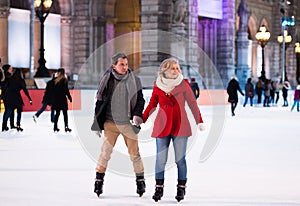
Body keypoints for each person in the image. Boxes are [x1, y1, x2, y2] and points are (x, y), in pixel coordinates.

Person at [142, 57, 205, 202]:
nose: (176, 71)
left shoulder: (183, 84)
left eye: (177, 68)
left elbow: (192, 104)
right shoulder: (158, 85)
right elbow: (152, 105)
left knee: (180, 159)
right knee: (160, 159)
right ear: (165, 70)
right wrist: (142, 118)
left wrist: (199, 121)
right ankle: (159, 188)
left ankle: (181, 188)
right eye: (173, 68)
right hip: (162, 125)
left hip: (180, 125)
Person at [91, 53, 146, 197]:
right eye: (121, 64)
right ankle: (99, 181)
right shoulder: (107, 80)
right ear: (114, 65)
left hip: (128, 123)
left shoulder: (135, 80)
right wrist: (97, 123)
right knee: (105, 153)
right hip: (110, 123)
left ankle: (140, 181)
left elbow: (140, 100)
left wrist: (137, 114)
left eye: (126, 64)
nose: (125, 67)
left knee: (135, 154)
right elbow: (100, 102)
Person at [52, 68, 72, 132]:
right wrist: (69, 97)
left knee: (57, 114)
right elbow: (66, 90)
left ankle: (55, 127)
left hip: (56, 99)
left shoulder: (55, 80)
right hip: (62, 99)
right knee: (65, 114)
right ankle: (66, 127)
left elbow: (52, 90)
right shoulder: (64, 80)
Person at [1, 64, 17, 131]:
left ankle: (11, 125)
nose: (12, 70)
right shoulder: (7, 77)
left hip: (7, 96)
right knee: (8, 110)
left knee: (11, 110)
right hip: (8, 96)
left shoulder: (5, 77)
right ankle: (4, 126)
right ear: (7, 69)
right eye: (10, 69)